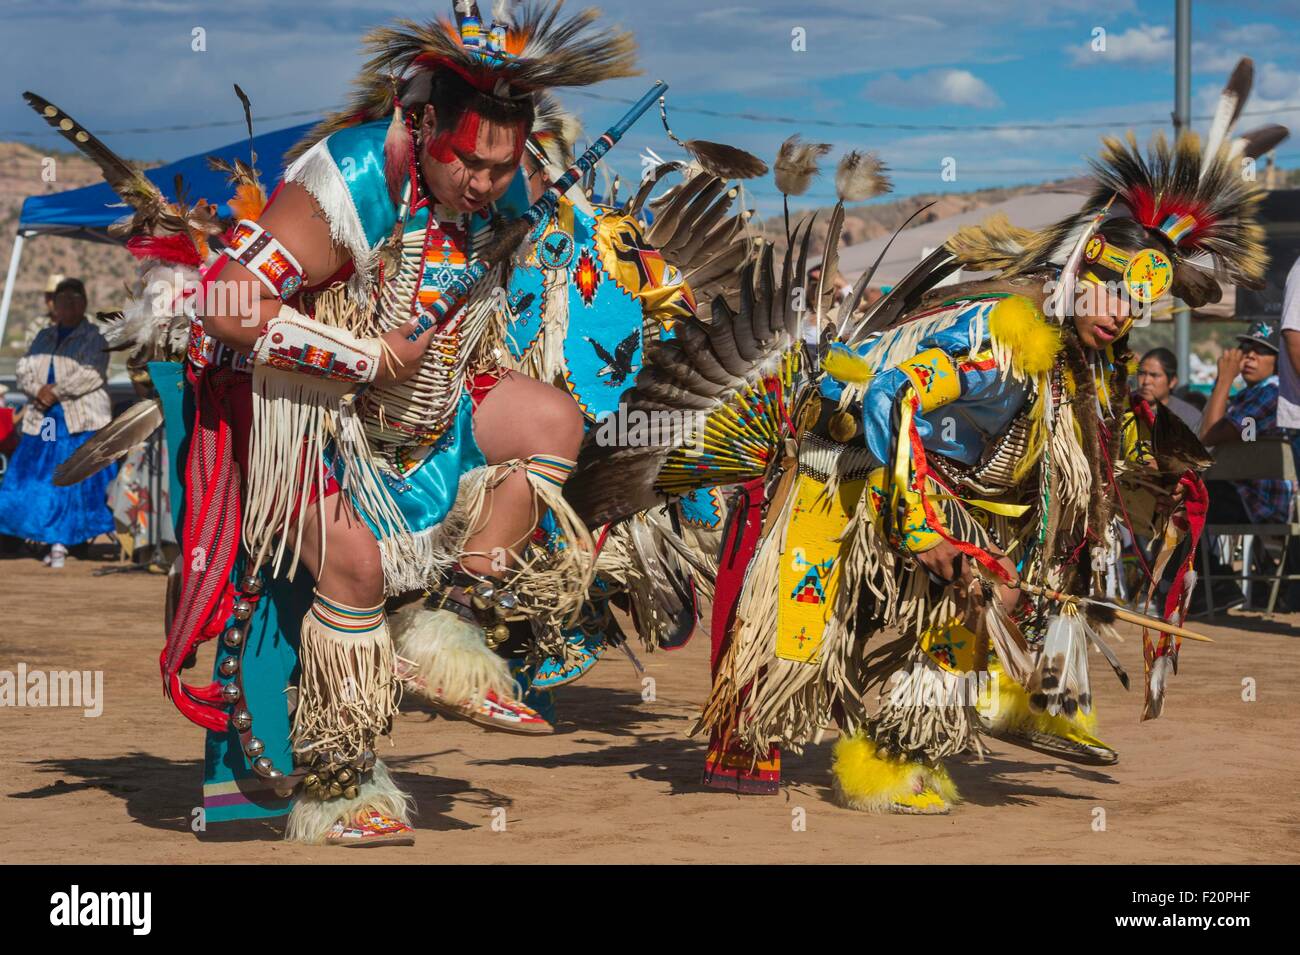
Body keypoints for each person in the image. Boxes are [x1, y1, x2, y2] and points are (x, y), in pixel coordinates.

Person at [573, 91, 1271, 812]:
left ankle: (895, 750)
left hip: (937, 486)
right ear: (1076, 276)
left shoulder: (1087, 369)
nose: (1119, 314)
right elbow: (895, 395)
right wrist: (923, 531)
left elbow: (1091, 471)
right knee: (798, 633)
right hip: (839, 459)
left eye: (1135, 305)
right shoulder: (1008, 342)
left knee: (977, 598)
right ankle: (751, 728)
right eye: (1109, 293)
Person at [0, 278, 115, 568]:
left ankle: (62, 541)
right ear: (55, 305)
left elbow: (92, 372)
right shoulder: (43, 337)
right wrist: (38, 389)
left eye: (76, 298)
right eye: (64, 299)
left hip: (81, 421)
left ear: (85, 303)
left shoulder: (94, 337)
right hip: (47, 422)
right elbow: (25, 367)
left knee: (71, 479)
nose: (70, 304)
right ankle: (36, 533)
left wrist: (56, 391)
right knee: (35, 476)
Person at [1200, 322, 1297, 528]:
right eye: (1246, 348)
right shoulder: (1250, 394)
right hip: (1241, 489)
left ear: (1278, 361)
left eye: (1262, 351)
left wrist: (1225, 380)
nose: (1250, 356)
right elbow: (1246, 437)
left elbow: (1208, 435)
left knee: (1192, 503)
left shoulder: (1272, 392)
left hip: (1260, 500)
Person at [1137, 346, 1202, 432]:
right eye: (1142, 373)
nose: (1146, 381)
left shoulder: (1189, 417)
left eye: (1154, 375)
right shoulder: (1123, 409)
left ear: (1172, 381)